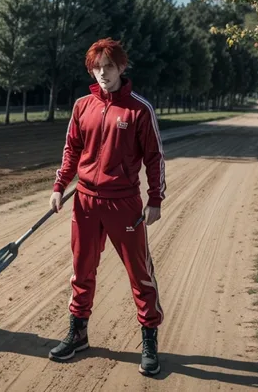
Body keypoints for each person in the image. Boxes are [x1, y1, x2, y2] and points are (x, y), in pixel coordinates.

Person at [47, 38, 166, 376]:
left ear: (121, 68)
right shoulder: (82, 106)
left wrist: (155, 199)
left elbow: (155, 157)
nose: (102, 73)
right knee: (81, 271)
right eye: (97, 68)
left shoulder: (139, 109)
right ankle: (78, 333)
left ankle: (149, 339)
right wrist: (60, 187)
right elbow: (72, 150)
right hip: (84, 202)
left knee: (140, 274)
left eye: (109, 67)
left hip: (124, 204)